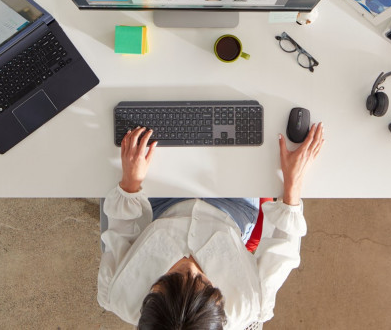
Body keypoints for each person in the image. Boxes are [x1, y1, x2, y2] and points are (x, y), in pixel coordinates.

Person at [98, 122, 325, 329]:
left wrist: (130, 183)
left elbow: (120, 232)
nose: (190, 264)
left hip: (157, 202)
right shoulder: (250, 304)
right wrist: (293, 183)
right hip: (232, 205)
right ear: (217, 300)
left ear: (154, 291)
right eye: (200, 279)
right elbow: (283, 246)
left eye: (173, 274)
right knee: (245, 125)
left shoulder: (118, 294)